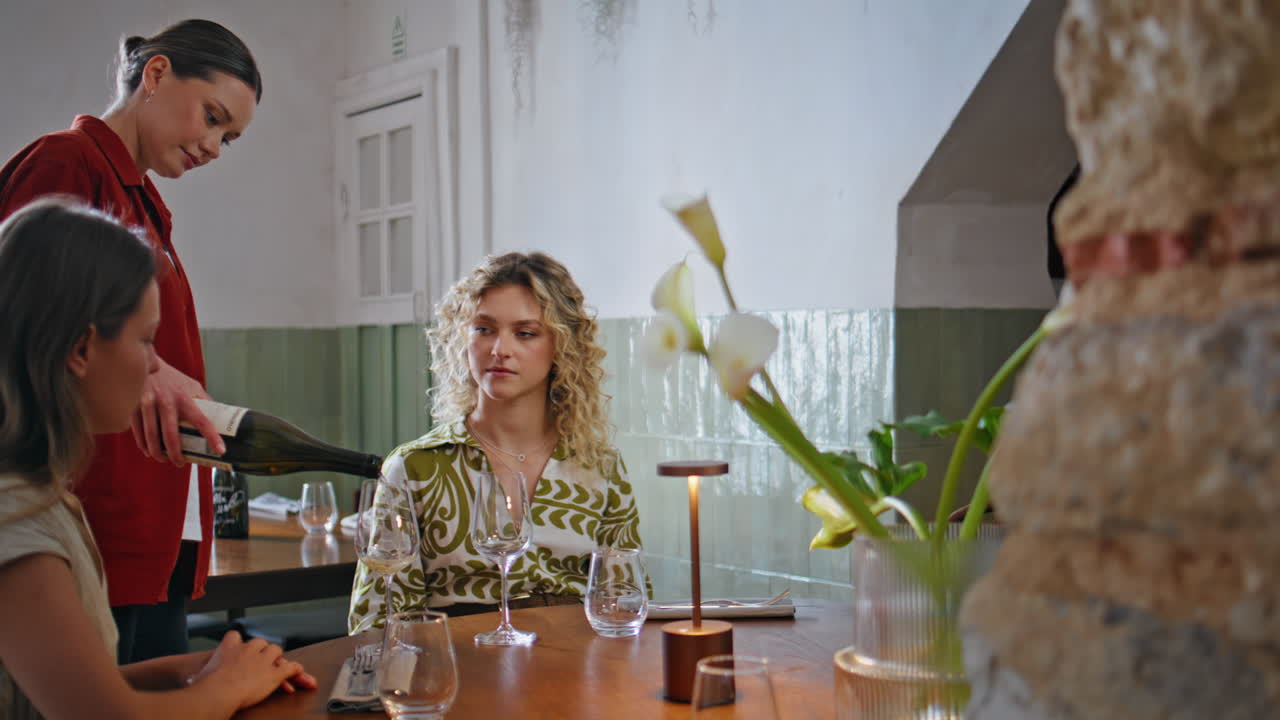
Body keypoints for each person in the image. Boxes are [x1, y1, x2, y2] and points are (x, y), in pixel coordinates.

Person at [0, 19, 261, 662]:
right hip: (100, 515)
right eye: (211, 117)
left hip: (156, 519)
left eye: (228, 137)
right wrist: (155, 370)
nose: (214, 146)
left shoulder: (139, 197)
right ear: (156, 74)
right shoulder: (67, 163)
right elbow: (27, 320)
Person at [0, 199, 315, 720]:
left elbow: (61, 687)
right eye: (146, 340)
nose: (154, 366)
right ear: (80, 349)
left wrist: (186, 672)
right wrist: (227, 688)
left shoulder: (38, 491)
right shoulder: (17, 518)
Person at [349, 252, 644, 630]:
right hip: (459, 669)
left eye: (525, 333)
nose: (499, 349)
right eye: (484, 329)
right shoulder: (414, 467)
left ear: (561, 347)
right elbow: (377, 618)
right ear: (463, 338)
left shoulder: (599, 465)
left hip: (577, 667)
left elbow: (627, 598)